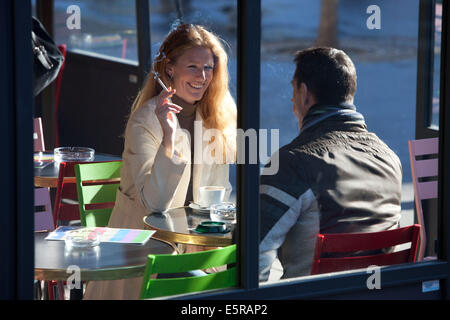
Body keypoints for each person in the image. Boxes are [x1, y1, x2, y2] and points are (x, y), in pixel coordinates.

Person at [84, 23, 236, 300]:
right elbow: (154, 205)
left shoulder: (218, 119)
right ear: (169, 69)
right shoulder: (145, 121)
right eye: (192, 66)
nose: (202, 76)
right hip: (151, 254)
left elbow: (220, 193)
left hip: (197, 251)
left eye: (208, 67)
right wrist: (169, 139)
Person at [259, 47, 402, 282]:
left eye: (293, 92)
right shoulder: (390, 158)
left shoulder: (293, 162)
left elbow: (255, 255)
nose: (292, 102)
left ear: (304, 93)